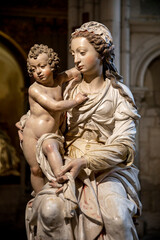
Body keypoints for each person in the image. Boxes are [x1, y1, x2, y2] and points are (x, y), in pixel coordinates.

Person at [17, 22, 142, 240]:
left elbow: (123, 147)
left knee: (117, 217)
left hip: (107, 170)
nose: (76, 59)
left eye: (82, 53)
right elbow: (46, 116)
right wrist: (26, 122)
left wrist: (85, 162)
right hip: (64, 163)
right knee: (51, 211)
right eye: (74, 53)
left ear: (102, 53)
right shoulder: (68, 89)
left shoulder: (119, 94)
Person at [16, 44, 88, 194]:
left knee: (50, 147)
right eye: (34, 69)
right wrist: (75, 101)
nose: (39, 72)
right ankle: (39, 196)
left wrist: (84, 68)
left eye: (42, 66)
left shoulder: (58, 80)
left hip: (50, 134)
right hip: (32, 134)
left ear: (52, 64)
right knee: (35, 170)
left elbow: (74, 71)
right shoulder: (34, 89)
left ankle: (60, 177)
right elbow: (55, 106)